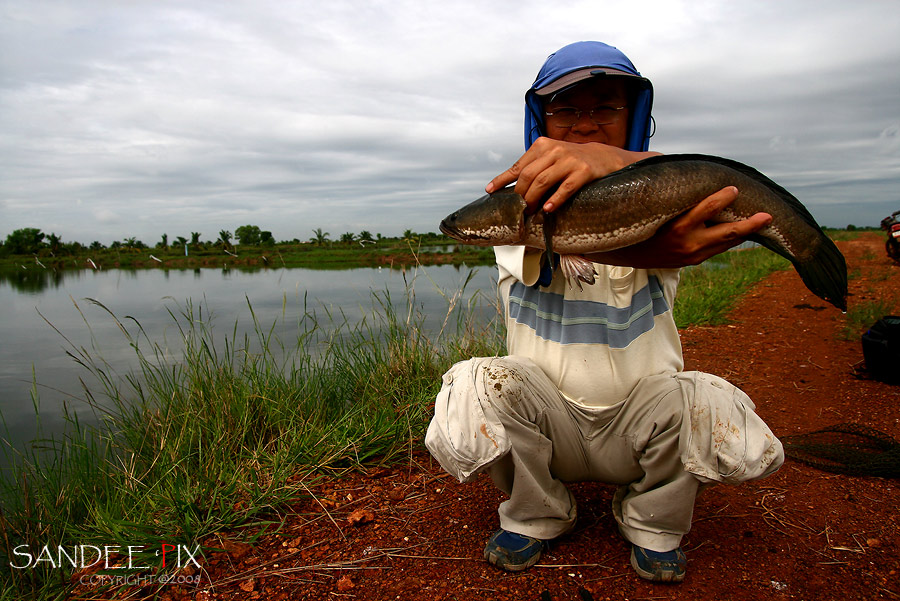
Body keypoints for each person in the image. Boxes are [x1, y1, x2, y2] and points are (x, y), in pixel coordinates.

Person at [425, 41, 786, 583]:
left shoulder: (665, 202)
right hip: (549, 426)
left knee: (701, 398)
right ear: (539, 120)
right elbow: (560, 236)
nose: (584, 124)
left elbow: (693, 183)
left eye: (605, 107)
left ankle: (652, 523)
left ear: (634, 115)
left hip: (639, 427)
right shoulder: (512, 216)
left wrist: (615, 164)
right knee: (481, 383)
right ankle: (537, 512)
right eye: (565, 109)